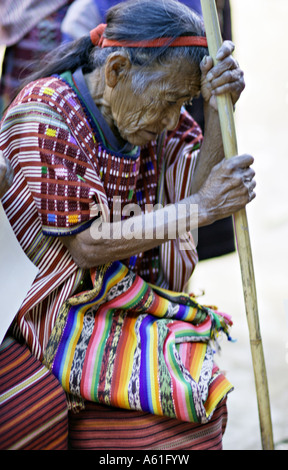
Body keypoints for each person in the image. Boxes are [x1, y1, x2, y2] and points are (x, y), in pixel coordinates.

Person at [0, 0, 255, 450]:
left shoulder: (149, 113)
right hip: (54, 315)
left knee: (201, 400)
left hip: (122, 303)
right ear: (116, 70)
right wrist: (202, 206)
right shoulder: (47, 114)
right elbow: (87, 243)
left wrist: (217, 108)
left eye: (185, 102)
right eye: (171, 102)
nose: (175, 119)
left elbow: (192, 184)